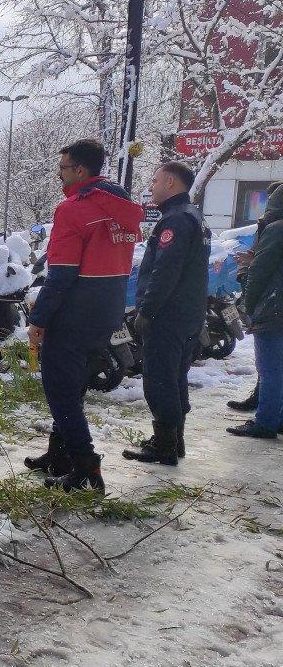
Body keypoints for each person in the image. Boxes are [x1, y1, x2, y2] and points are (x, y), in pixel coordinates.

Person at [25, 140, 143, 493]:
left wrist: (39, 318)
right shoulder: (121, 206)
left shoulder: (74, 209)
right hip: (106, 310)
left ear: (80, 170)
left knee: (60, 389)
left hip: (73, 312)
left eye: (62, 168)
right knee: (73, 383)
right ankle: (58, 455)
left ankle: (86, 468)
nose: (59, 176)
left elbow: (61, 274)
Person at [122, 162, 210, 465]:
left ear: (171, 183)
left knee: (159, 380)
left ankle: (164, 445)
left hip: (168, 316)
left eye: (155, 180)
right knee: (175, 379)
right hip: (187, 314)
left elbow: (166, 271)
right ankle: (175, 440)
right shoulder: (193, 217)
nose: (150, 187)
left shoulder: (176, 220)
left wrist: (146, 310)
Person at [228, 187, 283, 438]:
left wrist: (249, 305)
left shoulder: (276, 230)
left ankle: (266, 422)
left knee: (270, 370)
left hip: (273, 310)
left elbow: (259, 274)